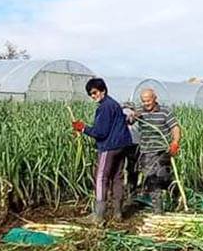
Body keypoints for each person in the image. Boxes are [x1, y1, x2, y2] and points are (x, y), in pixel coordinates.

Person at [72, 78, 132, 224]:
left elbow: (101, 132)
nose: (93, 96)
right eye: (90, 94)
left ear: (103, 90)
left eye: (95, 92)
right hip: (122, 146)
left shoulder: (104, 107)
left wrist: (83, 128)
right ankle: (118, 213)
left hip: (109, 147)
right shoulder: (114, 104)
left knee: (101, 178)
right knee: (117, 178)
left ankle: (98, 216)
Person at [131, 87, 182, 213]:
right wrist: (133, 117)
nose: (146, 104)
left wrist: (175, 142)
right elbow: (130, 121)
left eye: (148, 101)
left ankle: (177, 198)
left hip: (162, 152)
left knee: (164, 178)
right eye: (143, 101)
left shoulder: (165, 112)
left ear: (155, 99)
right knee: (152, 180)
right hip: (146, 152)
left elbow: (175, 128)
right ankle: (158, 210)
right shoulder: (140, 111)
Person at [121, 102, 141, 195]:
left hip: (124, 143)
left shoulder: (122, 113)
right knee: (132, 168)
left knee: (121, 167)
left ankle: (124, 189)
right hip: (134, 144)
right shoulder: (136, 115)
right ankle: (131, 189)